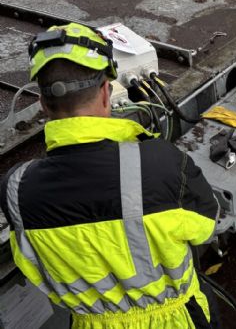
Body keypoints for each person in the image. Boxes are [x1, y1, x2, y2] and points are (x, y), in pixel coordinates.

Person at [0, 23, 222, 328]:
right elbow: (204, 227)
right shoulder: (160, 163)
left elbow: (33, 267)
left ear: (42, 104)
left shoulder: (16, 189)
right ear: (106, 93)